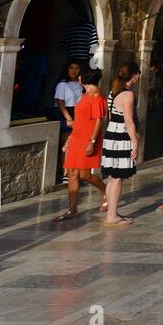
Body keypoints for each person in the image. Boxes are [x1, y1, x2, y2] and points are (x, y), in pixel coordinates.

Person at [54, 68, 107, 221]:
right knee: (72, 173)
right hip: (77, 138)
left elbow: (98, 121)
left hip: (88, 139)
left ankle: (105, 191)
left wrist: (92, 142)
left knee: (85, 175)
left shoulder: (97, 97)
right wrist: (70, 139)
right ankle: (72, 210)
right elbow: (81, 120)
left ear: (82, 80)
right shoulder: (85, 95)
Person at [101, 61, 140, 227]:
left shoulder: (113, 92)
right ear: (134, 76)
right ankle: (111, 216)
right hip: (121, 136)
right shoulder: (128, 95)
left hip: (111, 135)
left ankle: (112, 212)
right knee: (117, 178)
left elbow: (111, 116)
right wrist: (135, 142)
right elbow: (129, 121)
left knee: (112, 177)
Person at [53, 60, 84, 185]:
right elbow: (60, 102)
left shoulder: (80, 84)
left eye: (77, 68)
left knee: (75, 144)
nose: (74, 71)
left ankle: (73, 170)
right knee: (66, 145)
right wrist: (68, 118)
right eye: (71, 68)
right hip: (66, 114)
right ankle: (64, 173)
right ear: (67, 69)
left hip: (77, 113)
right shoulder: (62, 85)